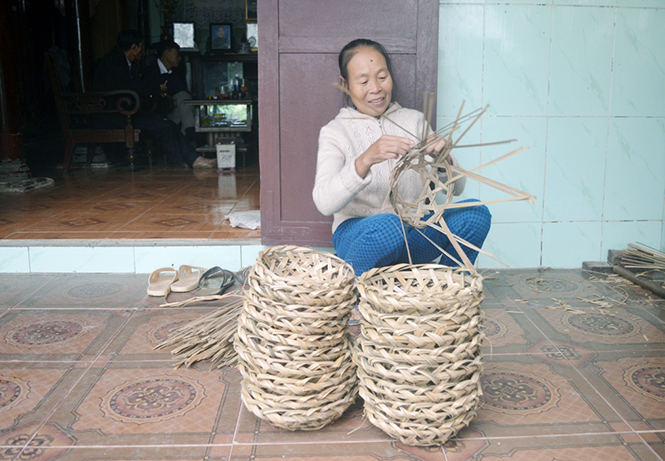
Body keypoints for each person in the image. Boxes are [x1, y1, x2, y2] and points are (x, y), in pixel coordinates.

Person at [312, 38, 491, 276]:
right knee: (388, 225)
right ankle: (350, 286)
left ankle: (448, 288)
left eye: (382, 77)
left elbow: (457, 188)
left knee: (476, 214)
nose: (375, 88)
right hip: (361, 235)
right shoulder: (335, 132)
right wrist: (365, 160)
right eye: (363, 81)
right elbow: (324, 203)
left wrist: (443, 160)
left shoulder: (414, 121)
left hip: (414, 232)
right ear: (345, 84)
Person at [92, 30, 215, 169]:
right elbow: (128, 88)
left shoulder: (129, 64)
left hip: (127, 113)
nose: (141, 51)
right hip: (113, 115)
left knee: (168, 124)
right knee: (164, 126)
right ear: (133, 47)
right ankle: (185, 161)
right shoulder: (113, 61)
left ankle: (193, 159)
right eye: (140, 47)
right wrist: (155, 89)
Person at [140, 40, 196, 141]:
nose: (179, 58)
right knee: (184, 109)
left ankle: (188, 134)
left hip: (171, 112)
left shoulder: (177, 72)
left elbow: (181, 91)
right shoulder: (150, 71)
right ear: (166, 54)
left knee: (184, 99)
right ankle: (189, 136)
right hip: (154, 114)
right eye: (177, 55)